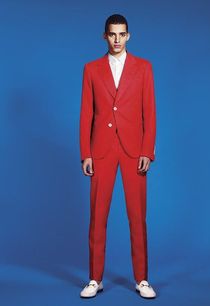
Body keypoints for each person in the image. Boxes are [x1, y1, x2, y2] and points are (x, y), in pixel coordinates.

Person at [79, 13, 157, 299]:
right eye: (112, 34)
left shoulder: (144, 68)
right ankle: (94, 279)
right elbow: (86, 113)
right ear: (104, 36)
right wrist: (85, 152)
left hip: (134, 151)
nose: (116, 39)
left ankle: (142, 279)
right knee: (97, 217)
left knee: (137, 217)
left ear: (128, 36)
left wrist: (147, 151)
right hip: (101, 151)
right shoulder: (91, 69)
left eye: (121, 34)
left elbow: (150, 112)